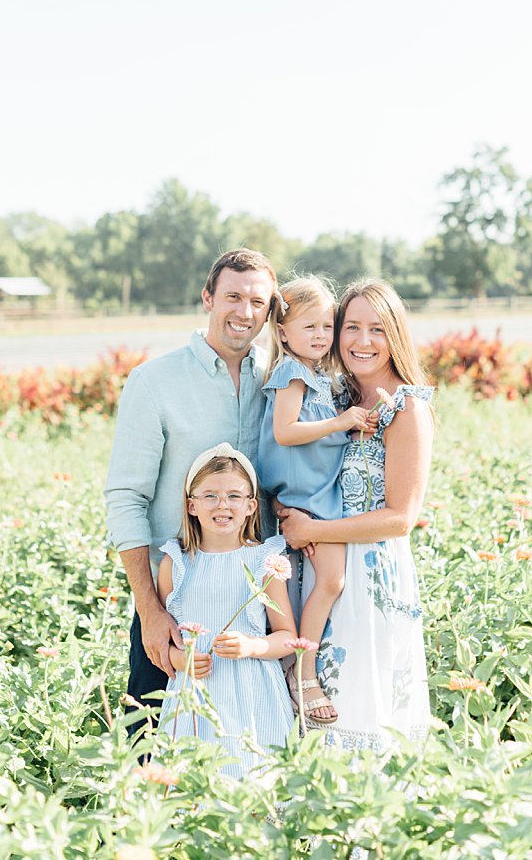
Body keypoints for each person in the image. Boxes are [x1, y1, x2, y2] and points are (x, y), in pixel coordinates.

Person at [104, 248, 277, 723]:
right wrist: (151, 611)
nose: (244, 312)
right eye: (233, 297)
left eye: (257, 302)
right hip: (175, 606)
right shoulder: (154, 382)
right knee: (151, 752)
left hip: (256, 605)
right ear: (208, 298)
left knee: (253, 749)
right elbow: (126, 498)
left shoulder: (281, 383)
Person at [277, 278, 434, 751]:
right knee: (308, 727)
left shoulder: (407, 408)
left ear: (396, 337)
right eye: (352, 328)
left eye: (377, 330)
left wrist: (313, 528)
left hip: (370, 579)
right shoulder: (334, 396)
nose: (362, 342)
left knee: (359, 717)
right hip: (319, 567)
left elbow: (400, 518)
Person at [256, 276, 374, 727]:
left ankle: (298, 661)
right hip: (305, 496)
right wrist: (340, 422)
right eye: (309, 327)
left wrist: (353, 423)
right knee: (331, 580)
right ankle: (302, 667)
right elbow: (286, 432)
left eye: (327, 326)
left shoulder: (322, 379)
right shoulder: (291, 372)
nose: (321, 336)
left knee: (318, 583)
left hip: (321, 494)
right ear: (283, 332)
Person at [157, 444, 298, 776]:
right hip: (194, 695)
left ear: (251, 506)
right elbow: (167, 640)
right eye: (210, 496)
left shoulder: (264, 561)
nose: (222, 505)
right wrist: (180, 660)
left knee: (254, 780)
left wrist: (252, 645)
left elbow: (287, 637)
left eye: (234, 496)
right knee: (193, 782)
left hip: (252, 690)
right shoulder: (176, 563)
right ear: (191, 506)